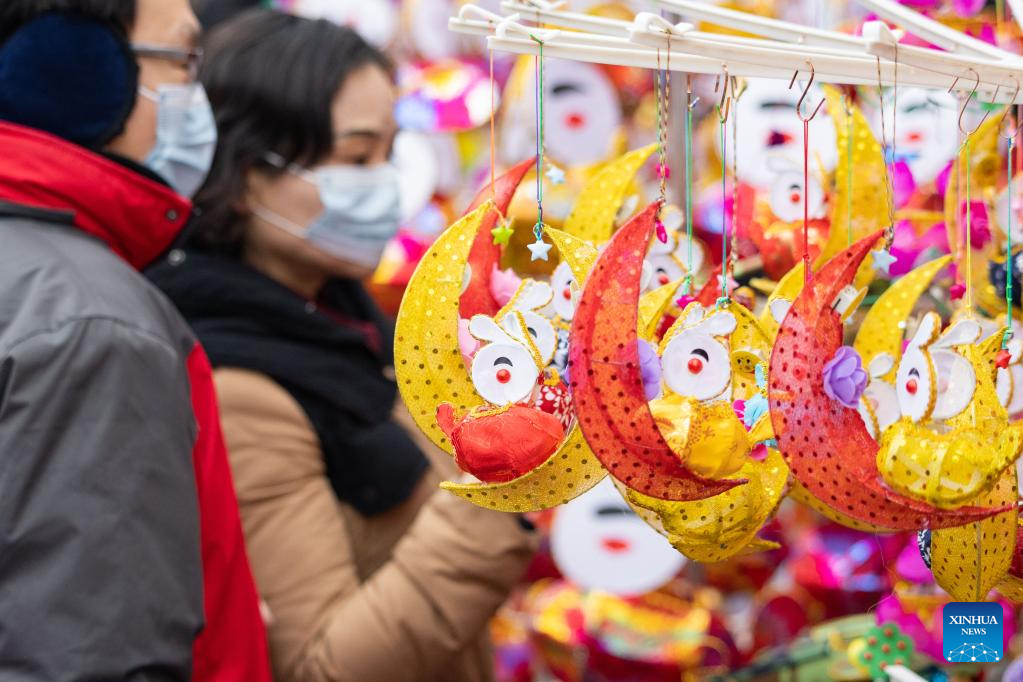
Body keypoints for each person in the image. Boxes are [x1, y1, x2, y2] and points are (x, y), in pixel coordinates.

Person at [148, 9, 538, 682]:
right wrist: (492, 492)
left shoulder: (353, 328)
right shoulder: (243, 387)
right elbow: (321, 665)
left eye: (389, 153)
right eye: (356, 158)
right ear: (246, 175)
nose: (384, 182)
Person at [0, 1, 271, 680]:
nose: (194, 95)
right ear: (72, 69)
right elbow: (91, 654)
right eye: (183, 61)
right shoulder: (91, 325)